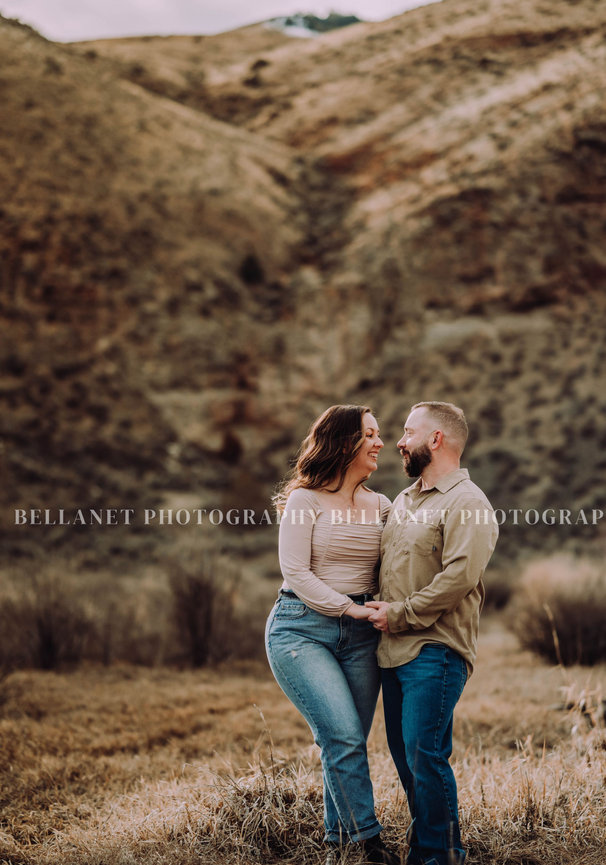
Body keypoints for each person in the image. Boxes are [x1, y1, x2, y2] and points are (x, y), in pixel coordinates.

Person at [265, 405, 400, 865]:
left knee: (344, 742)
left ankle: (336, 844)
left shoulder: (382, 506)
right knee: (342, 736)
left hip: (361, 636)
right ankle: (370, 844)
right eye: (370, 434)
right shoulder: (305, 501)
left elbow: (397, 567)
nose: (380, 442)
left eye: (380, 434)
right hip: (301, 630)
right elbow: (296, 573)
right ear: (345, 443)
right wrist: (349, 609)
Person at [366, 402, 498, 865]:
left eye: (407, 431)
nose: (399, 441)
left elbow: (459, 577)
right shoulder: (404, 501)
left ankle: (439, 857)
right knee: (409, 761)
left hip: (435, 650)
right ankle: (437, 848)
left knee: (426, 757)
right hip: (392, 651)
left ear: (436, 439)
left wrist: (399, 614)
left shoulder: (469, 503)